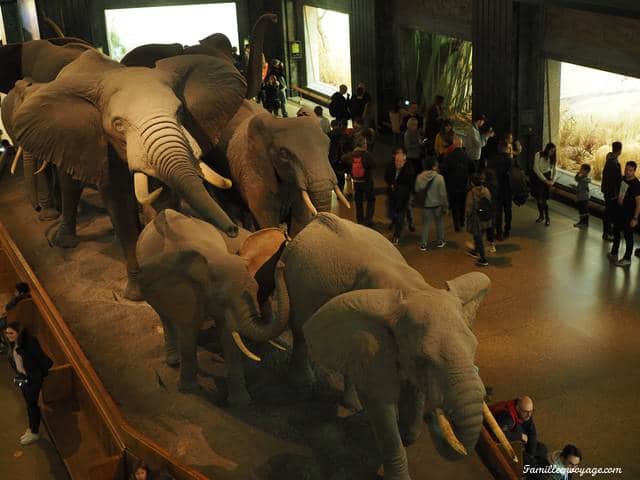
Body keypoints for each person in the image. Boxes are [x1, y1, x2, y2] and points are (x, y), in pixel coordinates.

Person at [3, 320, 53, 445]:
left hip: (32, 379)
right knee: (28, 402)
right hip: (21, 377)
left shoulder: (29, 345)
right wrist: (20, 381)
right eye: (7, 333)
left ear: (19, 333)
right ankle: (31, 428)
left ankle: (34, 431)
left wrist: (37, 380)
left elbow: (43, 362)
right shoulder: (13, 345)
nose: (8, 336)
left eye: (11, 333)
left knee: (32, 405)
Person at [608, 161, 640, 267]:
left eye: (630, 170)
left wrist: (635, 218)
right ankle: (614, 252)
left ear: (634, 171)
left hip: (629, 215)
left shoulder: (636, 184)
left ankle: (627, 258)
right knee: (616, 232)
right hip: (619, 212)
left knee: (628, 236)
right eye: (626, 169)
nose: (627, 172)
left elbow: (639, 203)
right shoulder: (622, 179)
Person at [440, 136, 475, 231]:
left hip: (452, 186)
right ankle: (462, 221)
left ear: (454, 144)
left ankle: (456, 225)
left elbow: (443, 170)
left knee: (454, 205)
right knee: (462, 204)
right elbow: (473, 168)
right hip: (464, 185)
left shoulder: (449, 157)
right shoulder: (466, 156)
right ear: (461, 144)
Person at [490, 396, 538, 462]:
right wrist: (520, 436)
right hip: (499, 443)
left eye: (531, 411)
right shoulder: (506, 418)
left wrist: (531, 455)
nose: (529, 415)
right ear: (517, 408)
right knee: (528, 461)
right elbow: (502, 436)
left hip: (514, 437)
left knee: (541, 449)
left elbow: (532, 432)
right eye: (526, 412)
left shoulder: (525, 413)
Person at [415, 157, 448, 251]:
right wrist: (445, 205)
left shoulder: (419, 177)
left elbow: (417, 189)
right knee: (439, 223)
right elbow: (443, 194)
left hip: (426, 205)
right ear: (434, 166)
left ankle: (423, 244)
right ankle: (440, 240)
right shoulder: (439, 178)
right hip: (437, 205)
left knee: (425, 225)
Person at [385, 146, 414, 245]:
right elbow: (387, 176)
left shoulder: (408, 170)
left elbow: (409, 184)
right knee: (393, 214)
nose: (397, 163)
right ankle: (395, 221)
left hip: (403, 199)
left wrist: (396, 186)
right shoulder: (391, 166)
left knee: (400, 218)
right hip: (392, 197)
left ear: (404, 161)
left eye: (400, 161)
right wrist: (391, 184)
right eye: (396, 161)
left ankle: (396, 236)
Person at [486, 141, 514, 240]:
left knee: (498, 211)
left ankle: (499, 232)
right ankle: (507, 230)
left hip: (496, 189)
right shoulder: (510, 160)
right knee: (508, 211)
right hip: (507, 189)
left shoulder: (492, 160)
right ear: (506, 148)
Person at [346, 137, 375, 226]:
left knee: (358, 202)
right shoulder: (367, 155)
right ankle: (368, 220)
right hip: (367, 182)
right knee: (371, 200)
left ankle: (360, 220)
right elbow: (374, 165)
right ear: (364, 145)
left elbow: (346, 163)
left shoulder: (352, 155)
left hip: (356, 182)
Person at [465, 173, 492, 266]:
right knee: (479, 235)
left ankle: (483, 258)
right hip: (486, 217)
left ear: (472, 183)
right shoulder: (486, 190)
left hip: (477, 219)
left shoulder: (471, 193)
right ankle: (475, 251)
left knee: (478, 237)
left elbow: (469, 208)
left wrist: (467, 215)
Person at [600, 142, 623, 241]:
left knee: (608, 211)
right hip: (611, 192)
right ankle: (606, 233)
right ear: (620, 150)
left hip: (606, 190)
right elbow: (615, 180)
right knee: (609, 213)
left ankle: (608, 231)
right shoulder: (615, 163)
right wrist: (616, 194)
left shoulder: (609, 159)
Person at [532, 143, 557, 226]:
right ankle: (541, 215)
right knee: (538, 199)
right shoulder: (538, 154)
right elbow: (536, 168)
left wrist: (552, 181)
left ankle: (547, 217)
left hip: (547, 177)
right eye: (551, 151)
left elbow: (554, 170)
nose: (552, 153)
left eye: (554, 151)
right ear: (547, 149)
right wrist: (545, 180)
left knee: (544, 200)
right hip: (539, 178)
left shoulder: (552, 158)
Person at [573, 164, 591, 228]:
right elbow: (576, 179)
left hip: (583, 197)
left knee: (584, 210)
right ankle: (582, 222)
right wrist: (578, 174)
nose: (580, 170)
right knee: (581, 210)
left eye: (582, 169)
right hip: (580, 196)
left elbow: (581, 187)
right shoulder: (582, 177)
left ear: (586, 171)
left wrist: (575, 188)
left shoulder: (586, 179)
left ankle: (584, 223)